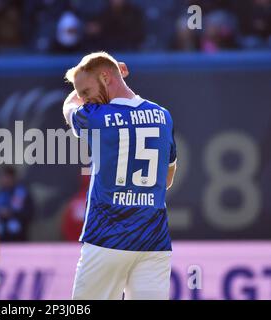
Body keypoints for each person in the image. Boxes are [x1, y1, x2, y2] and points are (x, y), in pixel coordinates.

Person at [62, 51, 177, 300]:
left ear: (106, 77)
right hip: (153, 241)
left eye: (86, 91)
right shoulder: (163, 117)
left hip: (107, 239)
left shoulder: (96, 117)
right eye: (81, 94)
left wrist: (75, 96)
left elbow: (68, 107)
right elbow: (167, 178)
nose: (84, 99)